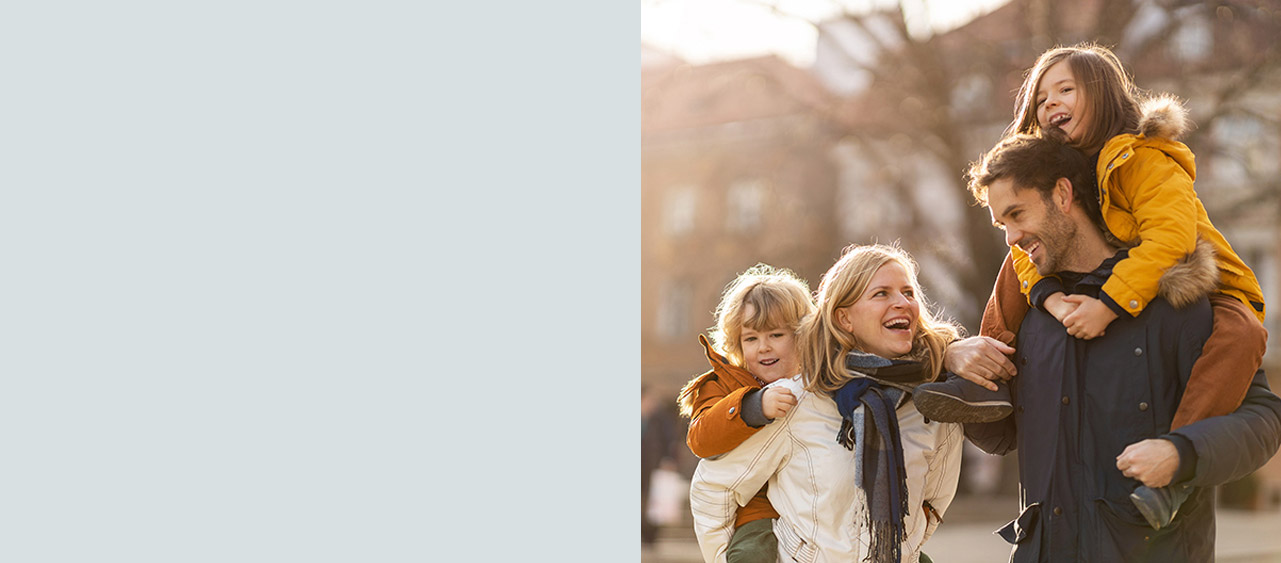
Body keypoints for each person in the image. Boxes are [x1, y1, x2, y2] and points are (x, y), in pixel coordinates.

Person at [914, 42, 1269, 528]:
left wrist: (1107, 304)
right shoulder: (1068, 173)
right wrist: (1048, 297)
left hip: (1205, 278)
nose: (1051, 103)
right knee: (1016, 260)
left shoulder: (1144, 158)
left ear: (1102, 95)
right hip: (1054, 535)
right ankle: (984, 380)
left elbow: (1170, 237)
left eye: (1065, 90)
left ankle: (1174, 471)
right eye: (1041, 99)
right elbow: (1028, 253)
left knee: (1241, 335)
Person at [957, 133, 1281, 561]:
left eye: (1017, 214)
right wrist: (954, 364)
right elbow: (995, 434)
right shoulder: (1032, 319)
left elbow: (1263, 419)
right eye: (1002, 225)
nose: (1011, 238)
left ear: (1063, 194)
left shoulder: (1176, 305)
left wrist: (1180, 452)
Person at [689, 244, 964, 563]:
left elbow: (932, 503)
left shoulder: (934, 402)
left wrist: (904, 548)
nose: (901, 302)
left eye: (908, 292)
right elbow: (711, 483)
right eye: (882, 294)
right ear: (843, 318)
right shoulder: (796, 399)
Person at [676, 264, 815, 563]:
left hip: (814, 500)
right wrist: (753, 406)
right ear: (736, 343)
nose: (763, 347)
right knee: (750, 554)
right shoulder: (723, 384)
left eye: (776, 335)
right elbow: (701, 439)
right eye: (750, 339)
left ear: (802, 335)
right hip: (758, 508)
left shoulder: (819, 382)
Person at [641, 383, 678, 547]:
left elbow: (668, 442)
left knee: (653, 502)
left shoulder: (659, 420)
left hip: (652, 467)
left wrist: (668, 460)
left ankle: (649, 537)